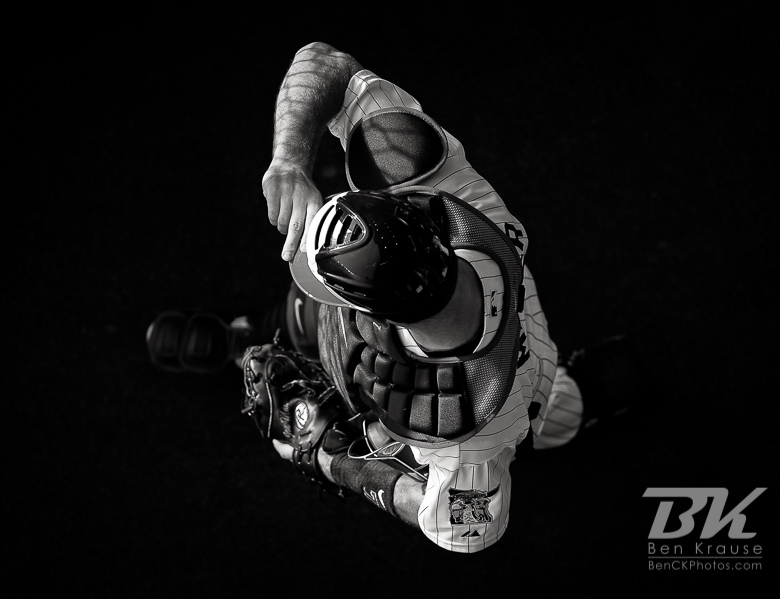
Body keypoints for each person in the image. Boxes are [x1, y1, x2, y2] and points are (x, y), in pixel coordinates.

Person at [147, 42, 638, 553]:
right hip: (519, 331)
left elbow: (467, 529)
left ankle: (242, 339)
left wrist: (337, 462)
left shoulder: (466, 438)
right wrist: (288, 161)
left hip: (480, 424)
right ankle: (574, 403)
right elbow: (324, 62)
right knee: (548, 395)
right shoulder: (430, 178)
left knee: (520, 416)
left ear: (376, 313)